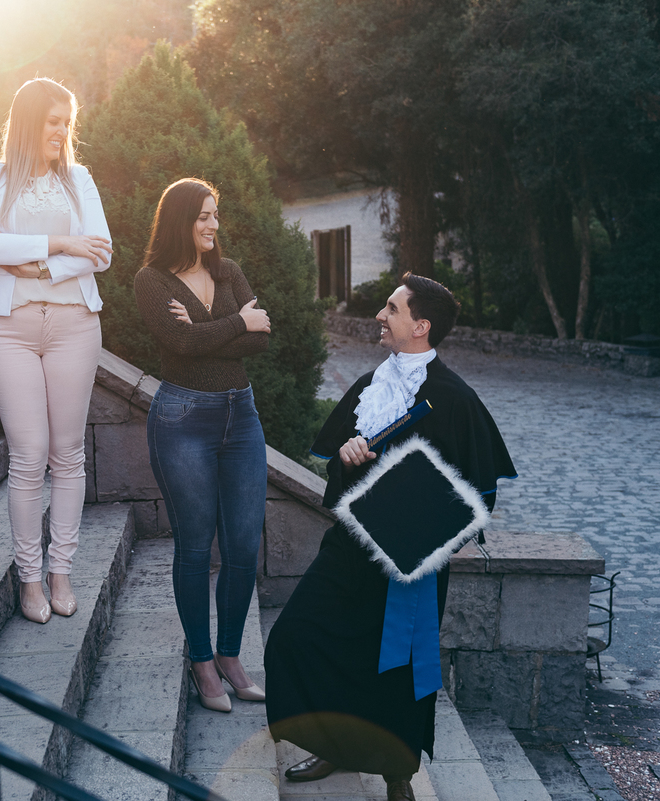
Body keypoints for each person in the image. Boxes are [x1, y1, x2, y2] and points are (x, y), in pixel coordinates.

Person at [265, 273, 516, 801]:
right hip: (351, 550)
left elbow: (479, 499)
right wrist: (348, 457)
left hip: (410, 563)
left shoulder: (456, 400)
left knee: (395, 667)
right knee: (300, 638)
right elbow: (338, 478)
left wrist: (417, 526)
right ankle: (334, 743)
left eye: (391, 309)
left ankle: (398, 774)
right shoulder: (370, 388)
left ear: (420, 326)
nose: (380, 316)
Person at [0, 78, 113, 624]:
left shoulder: (79, 178)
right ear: (29, 121)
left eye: (67, 122)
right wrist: (60, 242)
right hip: (7, 329)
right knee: (28, 454)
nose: (62, 131)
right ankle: (30, 580)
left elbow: (102, 251)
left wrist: (43, 265)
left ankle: (61, 573)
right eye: (53, 120)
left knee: (67, 453)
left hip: (75, 324)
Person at [134, 178, 272, 713]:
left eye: (216, 215)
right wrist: (237, 321)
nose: (213, 225)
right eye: (203, 217)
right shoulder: (151, 281)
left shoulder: (228, 271)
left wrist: (210, 329)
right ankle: (201, 660)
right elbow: (182, 345)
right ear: (179, 221)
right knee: (195, 544)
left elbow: (261, 341)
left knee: (243, 545)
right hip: (182, 419)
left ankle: (231, 656)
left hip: (242, 418)